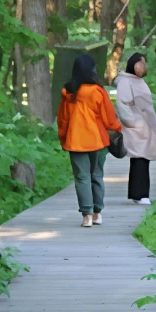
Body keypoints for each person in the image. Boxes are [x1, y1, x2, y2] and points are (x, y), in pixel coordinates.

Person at [57, 52, 122, 228]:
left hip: (75, 141)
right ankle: (97, 213)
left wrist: (63, 138)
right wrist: (118, 129)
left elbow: (63, 120)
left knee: (82, 178)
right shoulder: (98, 92)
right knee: (96, 175)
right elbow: (109, 118)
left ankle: (86, 216)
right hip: (98, 141)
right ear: (93, 70)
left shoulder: (68, 94)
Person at [115, 52, 156, 204]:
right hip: (136, 127)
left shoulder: (139, 82)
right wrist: (133, 122)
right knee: (139, 159)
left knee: (143, 159)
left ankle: (139, 194)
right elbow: (122, 105)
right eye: (140, 63)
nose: (143, 66)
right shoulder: (125, 82)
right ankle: (140, 195)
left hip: (145, 126)